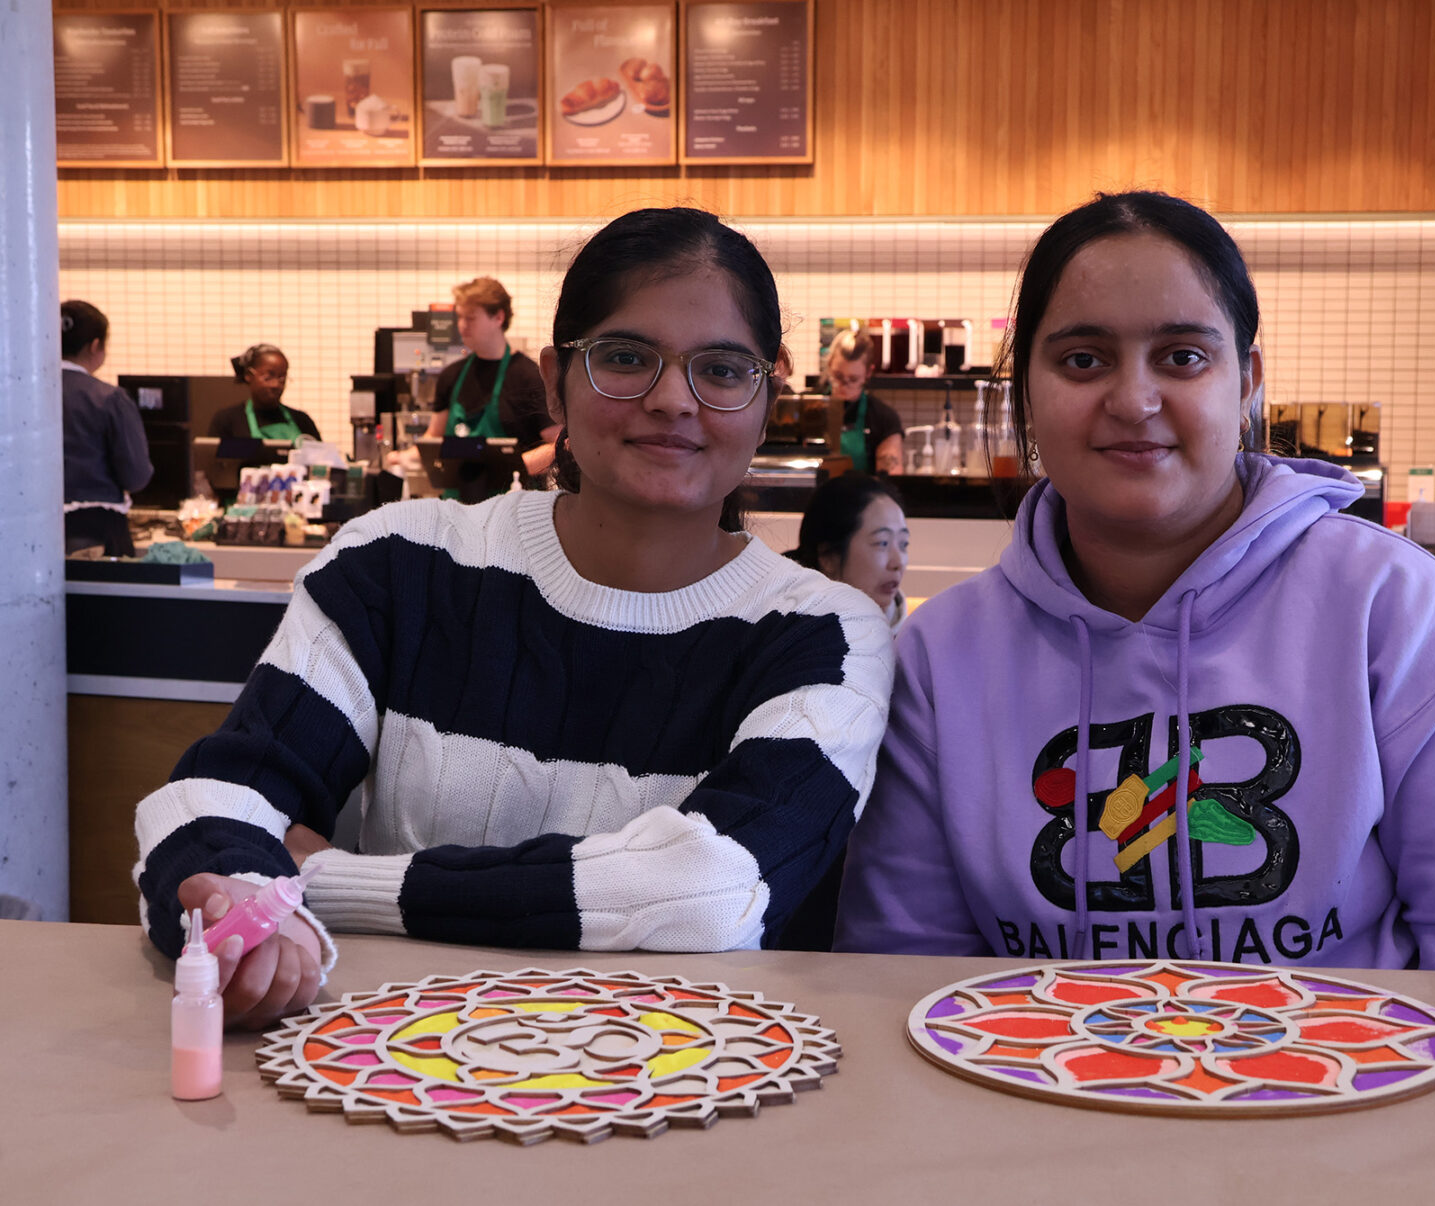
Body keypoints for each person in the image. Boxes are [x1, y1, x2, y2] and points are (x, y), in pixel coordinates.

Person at [133, 207, 896, 1029]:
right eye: (626, 357)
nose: (673, 399)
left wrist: (326, 881)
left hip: (685, 1083)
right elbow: (215, 795)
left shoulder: (825, 632)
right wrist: (238, 902)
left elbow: (709, 891)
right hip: (388, 1072)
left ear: (766, 393)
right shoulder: (400, 564)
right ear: (556, 379)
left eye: (721, 368)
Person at [835, 191, 1435, 975]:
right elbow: (906, 975)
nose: (1133, 401)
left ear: (1246, 385)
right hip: (1031, 1089)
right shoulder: (940, 657)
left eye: (1182, 357)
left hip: (1353, 1091)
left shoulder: (1395, 610)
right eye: (1083, 359)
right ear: (1025, 390)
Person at [426, 276, 560, 501]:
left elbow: (560, 445)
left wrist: (510, 467)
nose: (462, 326)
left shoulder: (528, 377)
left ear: (498, 317)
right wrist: (401, 458)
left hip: (514, 505)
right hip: (458, 507)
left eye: (470, 318)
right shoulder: (452, 375)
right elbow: (434, 437)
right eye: (459, 317)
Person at [60, 300, 153, 557]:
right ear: (96, 346)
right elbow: (136, 476)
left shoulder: (19, 396)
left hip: (27, 526)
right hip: (96, 531)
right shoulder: (108, 398)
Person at [788, 473, 910, 630]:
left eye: (903, 544)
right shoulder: (788, 632)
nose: (898, 563)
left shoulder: (904, 633)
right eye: (882, 543)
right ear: (828, 557)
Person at [824, 329, 903, 475]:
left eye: (853, 379)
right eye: (838, 376)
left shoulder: (883, 418)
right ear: (829, 365)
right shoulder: (810, 408)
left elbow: (890, 479)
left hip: (863, 496)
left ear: (868, 373)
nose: (844, 386)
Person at [207, 345, 323, 442]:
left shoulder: (302, 420)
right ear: (248, 375)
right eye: (268, 377)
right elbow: (214, 465)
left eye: (282, 378)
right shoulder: (227, 420)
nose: (276, 384)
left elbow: (322, 462)